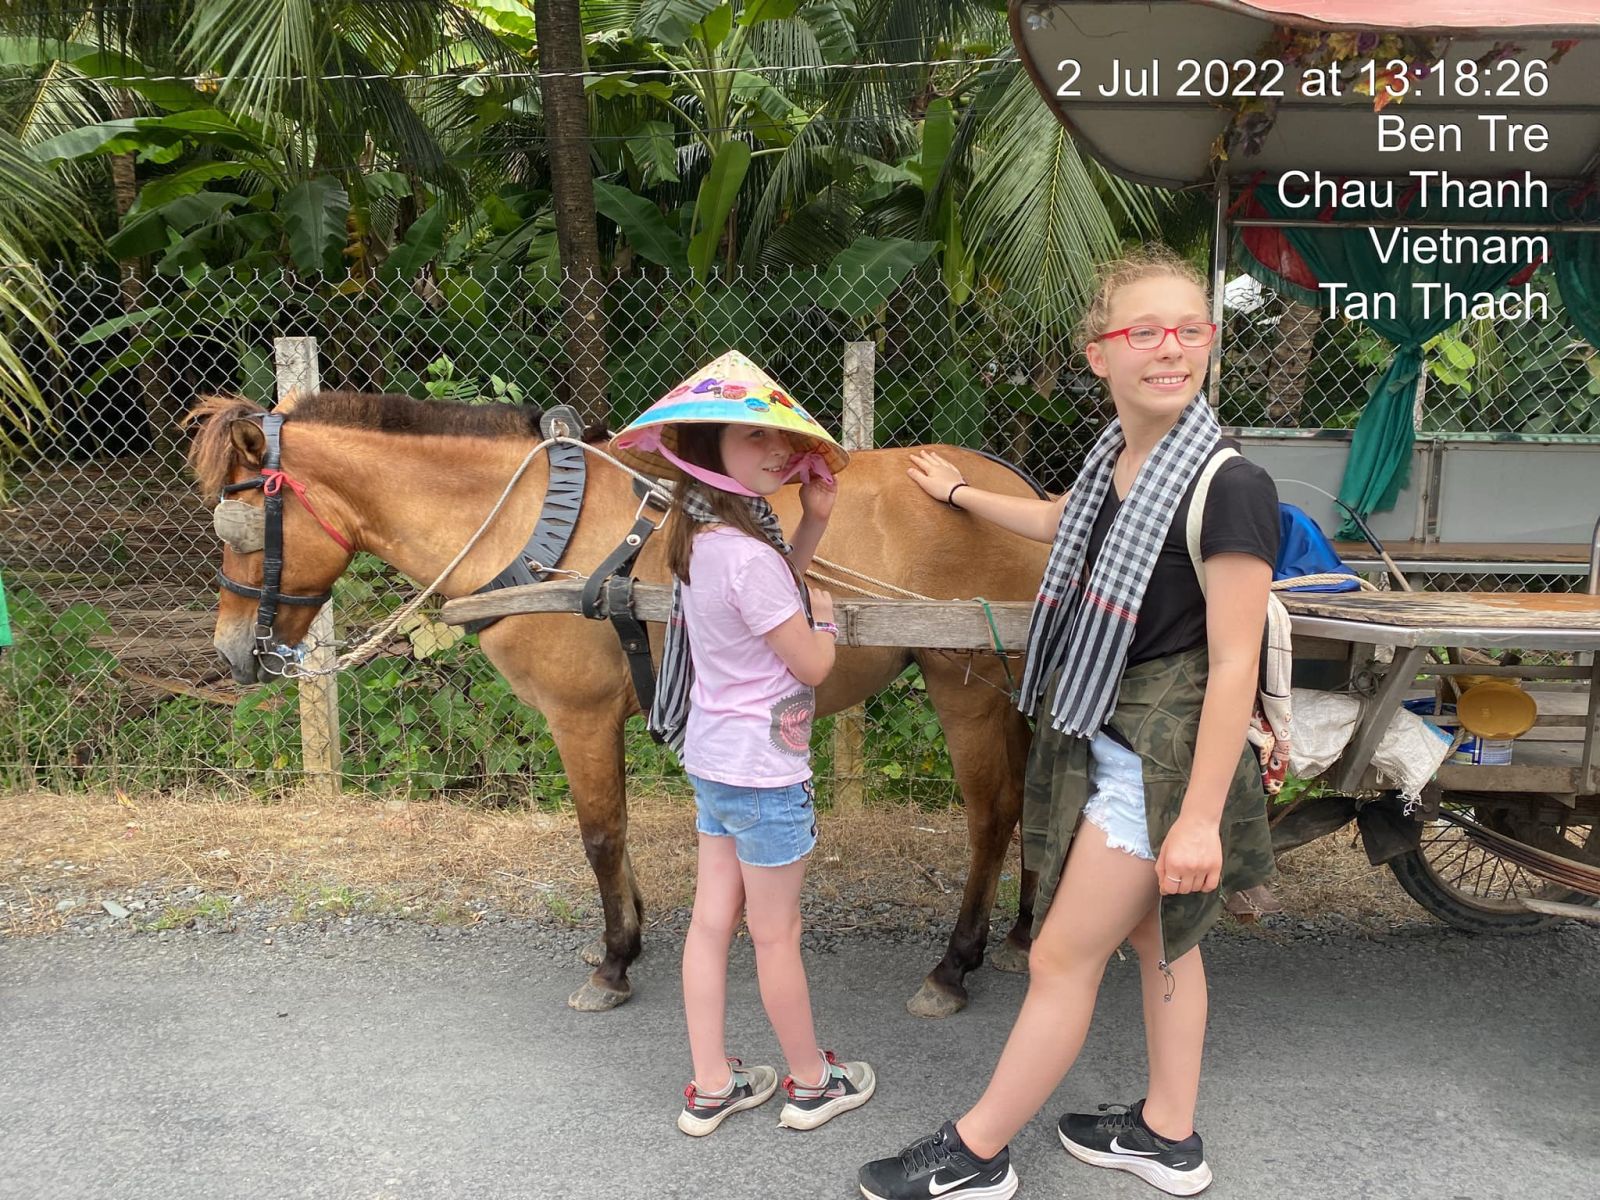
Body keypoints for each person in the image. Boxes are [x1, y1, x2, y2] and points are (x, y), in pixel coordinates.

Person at [858, 247, 1279, 1200]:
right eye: (1146, 332)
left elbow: (1234, 665)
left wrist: (1202, 818)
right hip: (1115, 740)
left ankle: (974, 1154)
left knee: (1057, 956)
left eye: (1190, 330)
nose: (1171, 349)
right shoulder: (1117, 460)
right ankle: (1168, 1135)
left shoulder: (1229, 485)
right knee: (1162, 939)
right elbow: (1061, 522)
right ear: (1101, 353)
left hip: (1162, 764)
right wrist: (960, 496)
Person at [612, 351, 877, 1138]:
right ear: (705, 448)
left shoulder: (700, 542)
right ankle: (810, 1082)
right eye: (752, 437)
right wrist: (827, 621)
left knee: (708, 925)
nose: (777, 455)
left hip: (716, 765)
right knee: (776, 934)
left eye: (781, 443)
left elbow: (764, 600)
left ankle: (712, 1084)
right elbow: (811, 661)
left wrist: (815, 522)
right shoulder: (749, 557)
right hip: (766, 776)